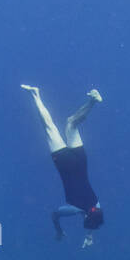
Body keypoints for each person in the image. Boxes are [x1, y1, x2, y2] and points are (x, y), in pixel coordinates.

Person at [21, 84, 105, 246]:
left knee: (71, 123)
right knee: (49, 126)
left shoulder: (96, 204)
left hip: (81, 160)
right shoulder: (75, 207)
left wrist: (89, 236)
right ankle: (35, 94)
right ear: (86, 216)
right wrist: (59, 231)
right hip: (64, 163)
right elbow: (55, 215)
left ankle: (92, 101)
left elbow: (93, 215)